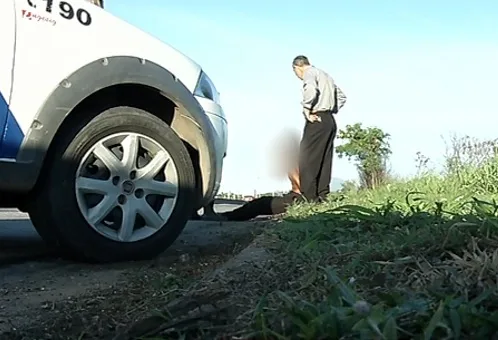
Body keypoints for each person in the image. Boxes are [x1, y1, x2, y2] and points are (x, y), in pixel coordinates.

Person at [292, 55, 347, 202]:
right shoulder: (326, 75)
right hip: (329, 120)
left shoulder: (309, 73)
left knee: (307, 157)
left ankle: (309, 198)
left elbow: (311, 89)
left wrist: (307, 109)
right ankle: (323, 195)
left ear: (297, 67)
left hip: (317, 118)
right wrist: (331, 109)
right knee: (324, 158)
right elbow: (341, 97)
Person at [205, 166, 303, 221]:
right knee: (259, 204)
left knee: (259, 205)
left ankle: (226, 217)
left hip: (297, 198)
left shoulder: (301, 161)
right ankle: (225, 216)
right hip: (296, 197)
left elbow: (300, 186)